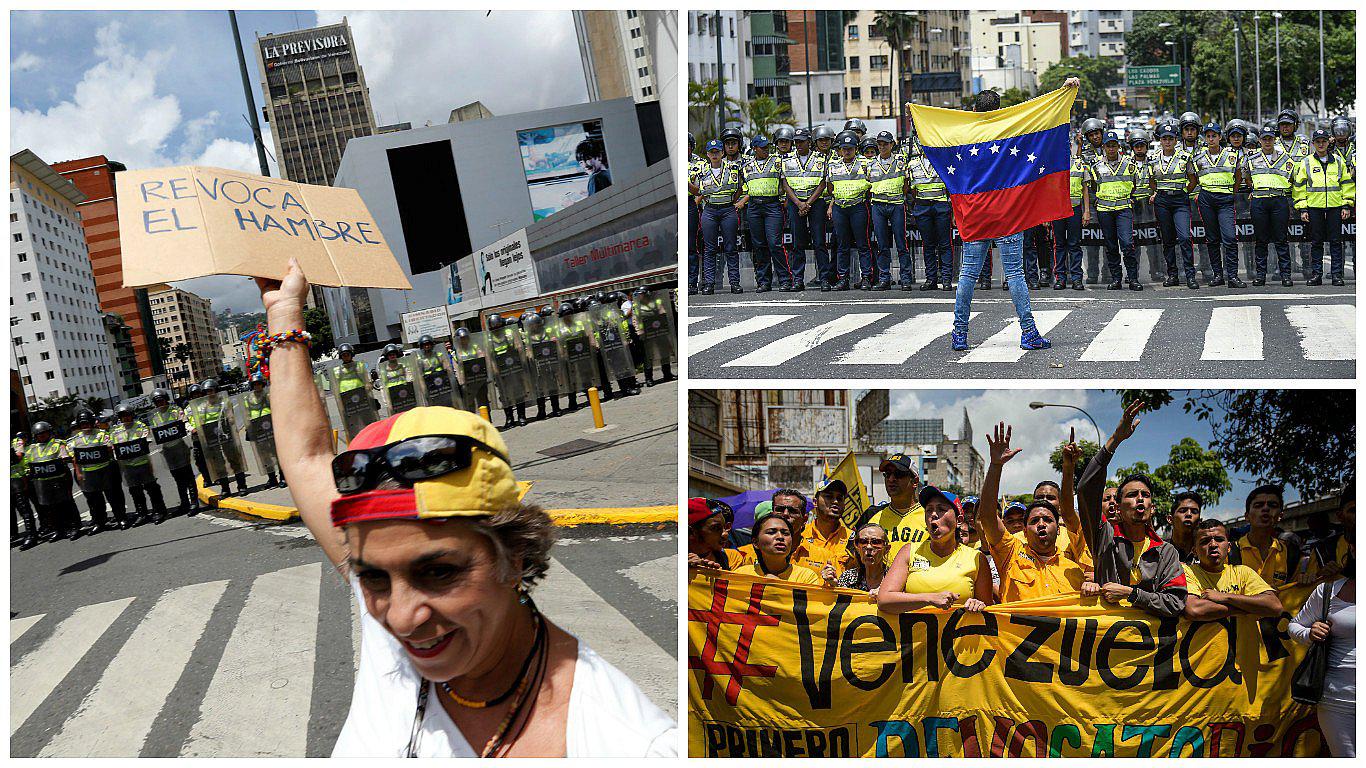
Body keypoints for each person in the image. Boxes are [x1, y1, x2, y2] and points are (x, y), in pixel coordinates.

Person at [255, 260, 675, 757]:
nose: (404, 617)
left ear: (514, 555)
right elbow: (305, 457)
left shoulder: (625, 743)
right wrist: (284, 315)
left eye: (438, 572)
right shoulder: (399, 624)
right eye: (370, 579)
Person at [950, 86, 1066, 351]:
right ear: (1000, 110)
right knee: (1015, 274)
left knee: (968, 274)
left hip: (975, 212)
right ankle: (1028, 332)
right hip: (1007, 213)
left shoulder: (963, 135)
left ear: (974, 110)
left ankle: (960, 334)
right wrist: (1063, 91)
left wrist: (917, 115)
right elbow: (1039, 112)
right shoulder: (1010, 132)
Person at [1074, 401, 1188, 617]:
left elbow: (1176, 603)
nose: (1140, 500)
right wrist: (1115, 439)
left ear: (1152, 508)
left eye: (1145, 495)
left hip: (1149, 645)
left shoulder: (1166, 551)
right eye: (1132, 495)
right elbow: (1086, 488)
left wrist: (1130, 594)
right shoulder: (1103, 536)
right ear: (1117, 506)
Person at [977, 423, 1086, 602]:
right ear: (1024, 531)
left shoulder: (1074, 571)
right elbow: (987, 516)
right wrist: (996, 465)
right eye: (1034, 521)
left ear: (1059, 529)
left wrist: (1069, 468)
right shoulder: (1011, 552)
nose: (1041, 524)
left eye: (1047, 520)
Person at [1288, 530, 1356, 757]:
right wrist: (1310, 633)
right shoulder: (1328, 591)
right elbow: (1294, 627)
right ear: (1353, 550)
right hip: (1338, 700)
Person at [879, 485, 994, 613]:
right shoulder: (909, 551)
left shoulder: (976, 559)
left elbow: (989, 611)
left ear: (959, 520)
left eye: (941, 509)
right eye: (929, 510)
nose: (933, 514)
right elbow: (884, 600)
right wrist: (929, 598)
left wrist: (978, 604)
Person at [1180, 519, 1283, 621]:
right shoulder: (1187, 572)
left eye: (1219, 539)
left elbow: (1275, 606)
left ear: (1229, 547)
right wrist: (1247, 608)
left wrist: (1226, 597)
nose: (1213, 545)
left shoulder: (1243, 572)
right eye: (1205, 541)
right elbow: (1194, 610)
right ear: (1194, 551)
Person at [1292, 128, 1354, 287]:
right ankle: (1316, 275)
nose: (1321, 144)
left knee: (1335, 242)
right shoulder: (1306, 162)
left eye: (1323, 141)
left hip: (1335, 207)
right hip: (1314, 208)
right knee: (1316, 243)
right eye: (1318, 142)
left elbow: (1347, 184)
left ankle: (1336, 275)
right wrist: (1303, 208)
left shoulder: (1338, 162)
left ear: (1328, 143)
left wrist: (1346, 205)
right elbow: (1299, 187)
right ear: (1313, 144)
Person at [1085, 131, 1143, 291]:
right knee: (1110, 246)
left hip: (1123, 210)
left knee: (1127, 244)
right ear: (1104, 147)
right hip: (1104, 211)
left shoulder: (1129, 165)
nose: (1111, 149)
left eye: (1114, 145)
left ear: (1118, 146)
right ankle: (1116, 279)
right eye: (1108, 146)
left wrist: (1130, 197)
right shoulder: (1096, 167)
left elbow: (1135, 184)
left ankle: (1133, 279)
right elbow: (1093, 187)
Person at [1191, 122, 1244, 287]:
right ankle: (1218, 275)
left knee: (1229, 238)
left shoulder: (1232, 155)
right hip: (1207, 199)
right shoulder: (1198, 157)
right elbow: (1195, 178)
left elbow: (1238, 177)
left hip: (1225, 199)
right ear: (1205, 138)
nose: (1211, 139)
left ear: (1220, 137)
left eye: (1214, 135)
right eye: (1208, 136)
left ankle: (1233, 276)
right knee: (1212, 239)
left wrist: (1231, 192)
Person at [1243, 124, 1295, 286]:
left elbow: (1292, 177)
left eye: (1270, 139)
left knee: (1281, 239)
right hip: (1259, 200)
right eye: (1264, 139)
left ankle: (1286, 275)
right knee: (1261, 240)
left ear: (1275, 139)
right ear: (1259, 140)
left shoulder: (1284, 158)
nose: (1267, 142)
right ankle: (1260, 275)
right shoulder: (1251, 159)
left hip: (1279, 200)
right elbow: (1247, 177)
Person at [689, 139, 742, 295]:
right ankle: (709, 283)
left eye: (717, 152)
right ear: (707, 154)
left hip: (728, 210)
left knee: (731, 247)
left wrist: (732, 201)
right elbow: (698, 191)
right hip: (710, 211)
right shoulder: (702, 171)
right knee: (709, 248)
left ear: (722, 153)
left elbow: (739, 187)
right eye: (712, 152)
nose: (715, 155)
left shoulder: (732, 168)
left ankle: (734, 283)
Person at [1150, 122, 1199, 288]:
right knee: (1168, 239)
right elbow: (1152, 181)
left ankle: (1190, 275)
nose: (1168, 142)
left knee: (1185, 237)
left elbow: (1193, 179)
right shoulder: (1153, 158)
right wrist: (1159, 193)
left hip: (1180, 200)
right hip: (1162, 201)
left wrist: (1184, 192)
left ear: (1176, 140)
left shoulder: (1185, 157)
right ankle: (1172, 275)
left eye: (1171, 138)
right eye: (1164, 138)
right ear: (1160, 140)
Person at [1229, 483, 1304, 586]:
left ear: (1280, 516)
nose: (1265, 509)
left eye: (1272, 505)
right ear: (1247, 516)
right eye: (1258, 505)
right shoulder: (1230, 552)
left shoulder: (1290, 554)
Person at [907, 130, 954, 292]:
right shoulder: (912, 165)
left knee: (945, 244)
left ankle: (947, 279)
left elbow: (950, 187)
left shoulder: (943, 161)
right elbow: (912, 189)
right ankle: (931, 279)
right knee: (928, 245)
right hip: (923, 206)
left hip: (941, 205)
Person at [738, 136, 786, 293]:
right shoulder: (746, 166)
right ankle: (764, 281)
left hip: (772, 205)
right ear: (754, 149)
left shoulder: (777, 162)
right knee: (759, 245)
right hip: (754, 206)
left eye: (767, 147)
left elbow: (784, 183)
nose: (766, 150)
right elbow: (744, 187)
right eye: (762, 147)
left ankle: (784, 279)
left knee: (775, 243)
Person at [67, 409, 128, 534]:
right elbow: (75, 459)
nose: (86, 426)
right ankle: (100, 522)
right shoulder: (74, 440)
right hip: (88, 474)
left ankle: (121, 518)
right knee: (95, 500)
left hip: (105, 470)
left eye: (88, 423)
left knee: (114, 497)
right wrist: (78, 473)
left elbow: (110, 447)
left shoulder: (102, 434)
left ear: (92, 422)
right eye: (83, 424)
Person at [780, 128, 825, 292]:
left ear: (809, 142)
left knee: (819, 242)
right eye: (796, 141)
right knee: (797, 243)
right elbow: (785, 184)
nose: (798, 144)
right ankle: (798, 279)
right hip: (795, 202)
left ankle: (824, 278)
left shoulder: (821, 158)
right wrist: (799, 204)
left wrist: (808, 203)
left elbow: (823, 183)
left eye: (802, 141)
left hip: (815, 202)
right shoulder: (787, 159)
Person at [826, 132, 872, 291]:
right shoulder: (833, 165)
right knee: (842, 245)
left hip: (858, 206)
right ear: (840, 150)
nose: (847, 151)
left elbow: (871, 185)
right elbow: (830, 188)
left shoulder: (865, 163)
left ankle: (866, 277)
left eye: (850, 149)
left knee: (863, 244)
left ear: (856, 148)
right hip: (840, 207)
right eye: (844, 149)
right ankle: (843, 279)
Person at [859, 453, 927, 559]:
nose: (891, 479)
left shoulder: (930, 516)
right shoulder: (871, 515)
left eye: (898, 474)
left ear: (915, 481)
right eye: (887, 474)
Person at [110, 402, 168, 525]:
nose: (126, 418)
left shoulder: (141, 427)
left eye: (128, 415)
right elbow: (114, 447)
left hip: (143, 464)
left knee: (152, 489)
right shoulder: (115, 432)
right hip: (127, 466)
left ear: (132, 415)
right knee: (135, 492)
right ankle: (142, 514)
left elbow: (146, 440)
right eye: (123, 416)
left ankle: (159, 511)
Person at [22, 421, 81, 541]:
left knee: (66, 503)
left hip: (60, 478)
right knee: (50, 507)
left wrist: (64, 458)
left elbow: (66, 457)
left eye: (44, 433)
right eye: (39, 434)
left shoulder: (58, 444)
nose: (42, 436)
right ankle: (59, 530)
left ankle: (74, 527)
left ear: (49, 433)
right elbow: (27, 464)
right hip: (43, 482)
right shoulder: (31, 449)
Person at [189, 379, 249, 496]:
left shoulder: (224, 402)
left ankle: (242, 486)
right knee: (219, 464)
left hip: (226, 436)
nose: (209, 394)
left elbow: (230, 418)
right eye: (207, 392)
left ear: (216, 391)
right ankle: (225, 489)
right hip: (212, 439)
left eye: (211, 391)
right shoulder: (201, 407)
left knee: (234, 459)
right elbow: (201, 423)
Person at [736, 508, 825, 586]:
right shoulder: (741, 575)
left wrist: (778, 585)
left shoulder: (806, 577)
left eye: (785, 533)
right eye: (771, 532)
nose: (780, 537)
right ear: (755, 542)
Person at [147, 388, 199, 515]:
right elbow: (153, 433)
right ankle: (184, 503)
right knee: (178, 479)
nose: (160, 404)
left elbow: (185, 422)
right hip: (167, 450)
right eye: (157, 402)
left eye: (162, 401)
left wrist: (191, 429)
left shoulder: (176, 411)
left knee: (188, 476)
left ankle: (194, 503)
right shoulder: (154, 416)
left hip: (180, 446)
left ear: (166, 400)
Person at [868, 131, 910, 290]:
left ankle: (905, 278)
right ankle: (884, 278)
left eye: (886, 143)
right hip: (878, 206)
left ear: (892, 144)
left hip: (896, 204)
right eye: (880, 144)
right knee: (882, 244)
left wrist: (898, 196)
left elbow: (906, 184)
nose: (882, 146)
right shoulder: (870, 163)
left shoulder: (901, 161)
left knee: (901, 243)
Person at [804, 479, 854, 580]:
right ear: (815, 502)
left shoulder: (853, 539)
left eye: (840, 498)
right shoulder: (801, 534)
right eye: (829, 496)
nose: (835, 501)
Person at [244, 374, 284, 488]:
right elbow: (246, 414)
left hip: (271, 427)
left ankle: (283, 476)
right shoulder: (248, 399)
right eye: (255, 384)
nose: (257, 386)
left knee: (276, 453)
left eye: (259, 384)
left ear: (262, 384)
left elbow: (276, 408)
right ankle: (272, 478)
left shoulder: (268, 395)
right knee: (265, 456)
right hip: (258, 430)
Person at [687, 498, 742, 571]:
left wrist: (718, 576)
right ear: (692, 532)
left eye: (725, 527)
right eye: (716, 528)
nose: (725, 534)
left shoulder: (729, 559)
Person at [835, 523, 890, 596]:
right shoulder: (847, 577)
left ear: (886, 549)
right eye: (863, 542)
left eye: (876, 542)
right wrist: (834, 586)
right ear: (857, 547)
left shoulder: (896, 579)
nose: (869, 547)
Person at [11, 430, 39, 548]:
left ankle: (32, 536)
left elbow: (18, 457)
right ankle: (13, 535)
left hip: (17, 479)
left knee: (24, 509)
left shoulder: (17, 442)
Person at [1166, 491, 1203, 564]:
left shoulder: (1206, 553)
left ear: (1199, 521)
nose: (1189, 514)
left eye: (1194, 512)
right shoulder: (1159, 551)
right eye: (1183, 511)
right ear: (1170, 519)